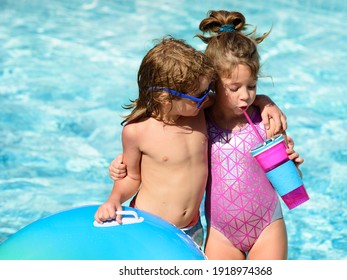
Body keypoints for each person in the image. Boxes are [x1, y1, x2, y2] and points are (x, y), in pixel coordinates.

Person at [103, 35, 290, 248]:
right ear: (165, 98)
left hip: (193, 228)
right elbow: (131, 177)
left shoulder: (198, 110)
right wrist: (114, 199)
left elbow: (230, 97)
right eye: (200, 95)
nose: (206, 97)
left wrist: (266, 102)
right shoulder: (136, 132)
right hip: (152, 224)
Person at [194, 10, 304, 259]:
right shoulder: (201, 120)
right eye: (234, 88)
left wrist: (292, 166)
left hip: (268, 228)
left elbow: (287, 177)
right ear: (213, 83)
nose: (246, 95)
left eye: (253, 86)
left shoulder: (265, 120)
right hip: (221, 235)